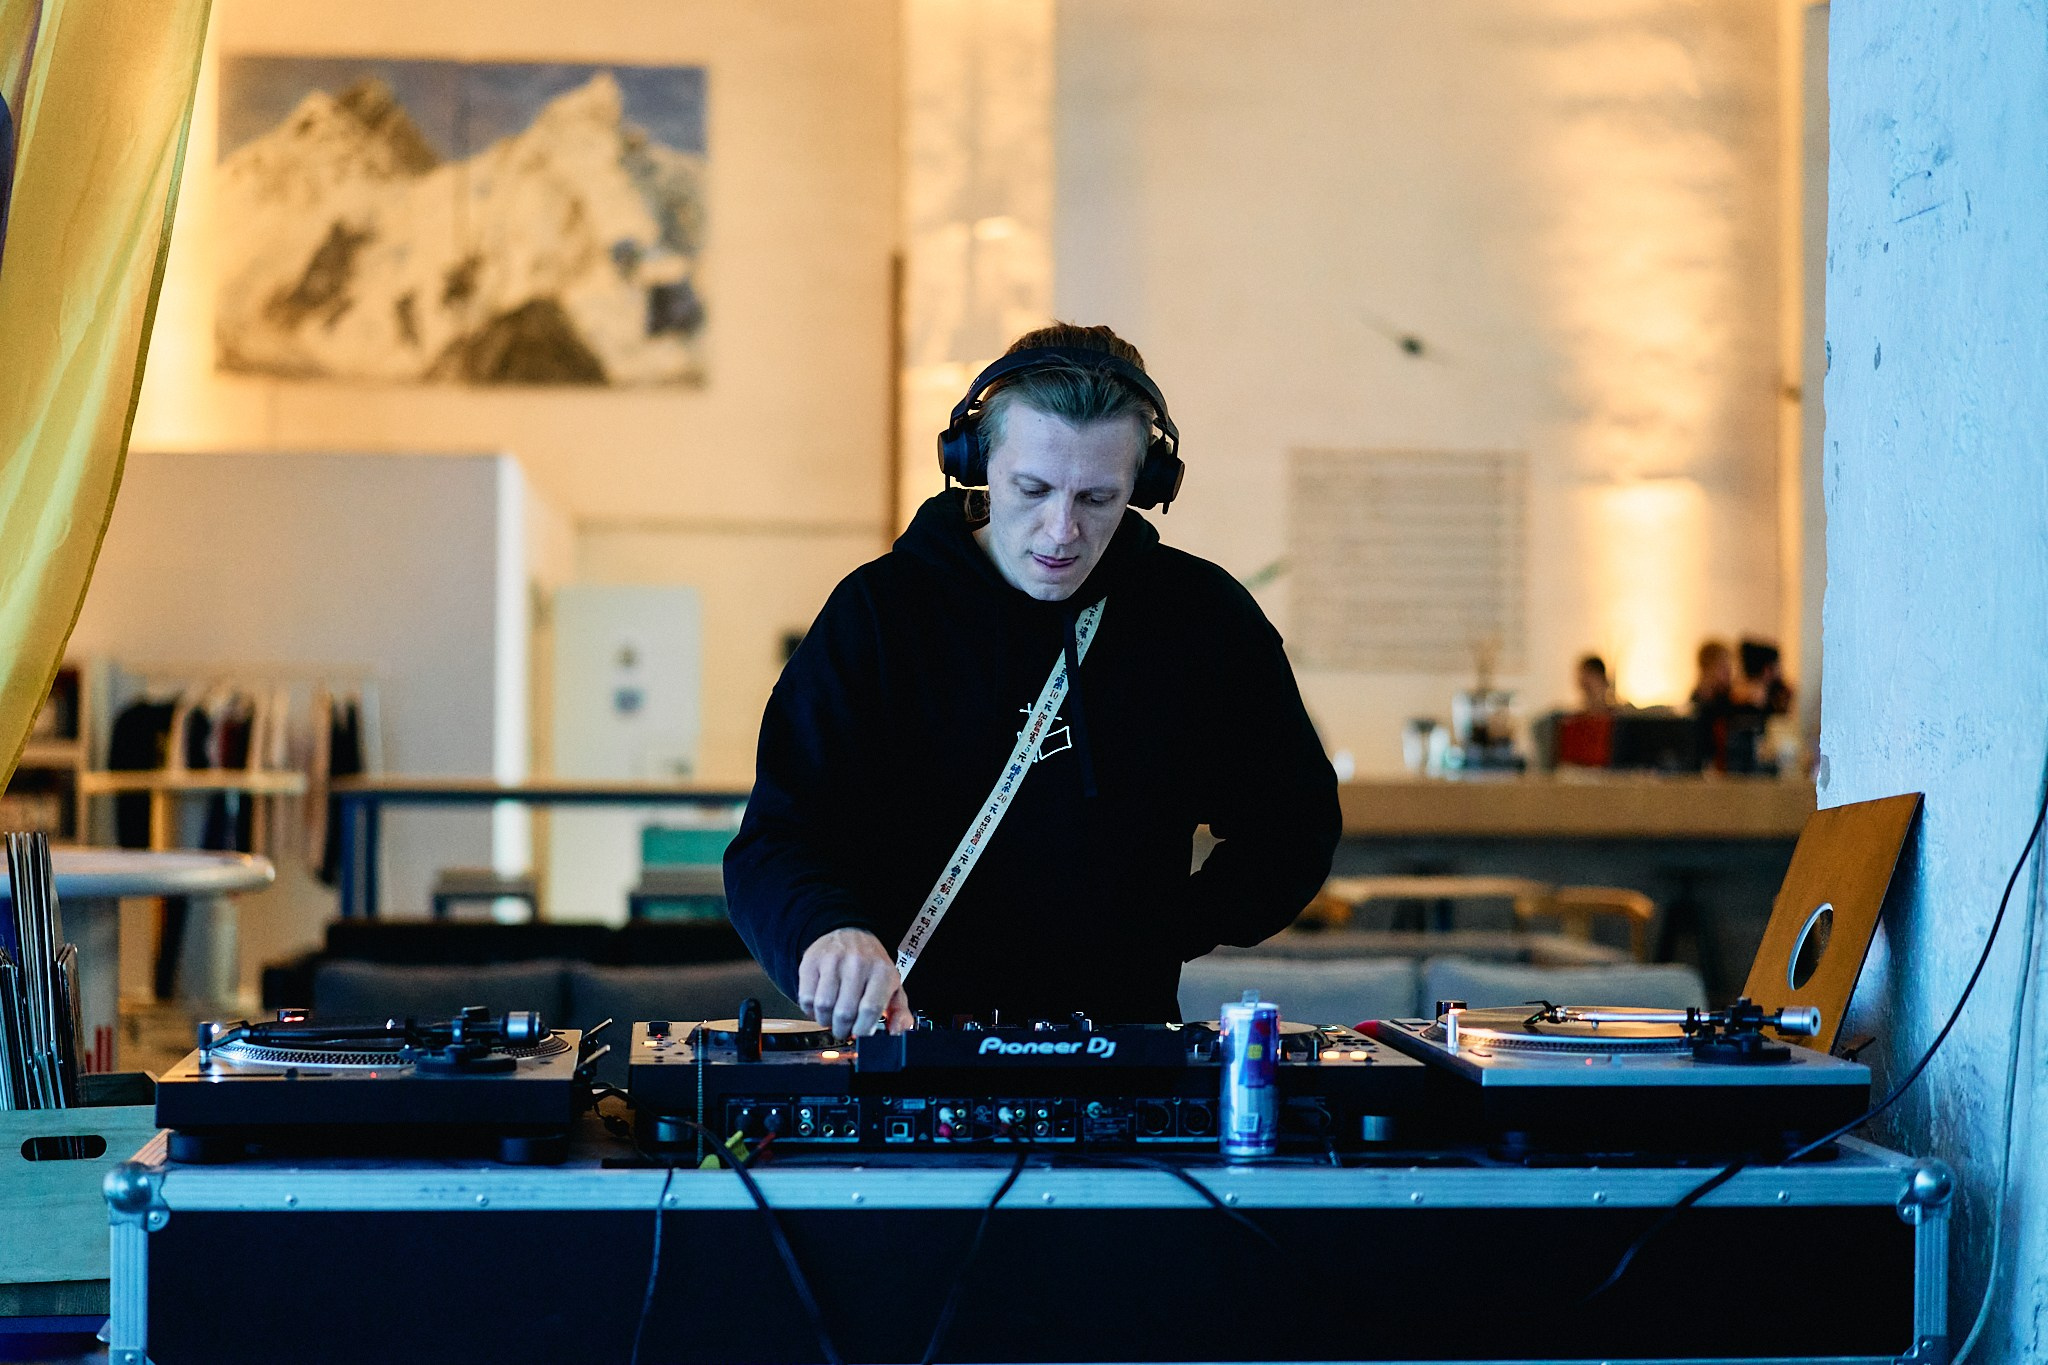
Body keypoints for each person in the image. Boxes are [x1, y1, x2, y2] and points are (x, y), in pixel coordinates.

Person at [724, 323, 1341, 1038]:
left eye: (1097, 499)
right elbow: (774, 841)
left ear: (1145, 485)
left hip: (1123, 1052)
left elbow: (1294, 827)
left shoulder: (1202, 621)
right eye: (1034, 488)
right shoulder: (880, 616)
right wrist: (826, 931)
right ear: (976, 463)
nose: (1060, 530)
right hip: (906, 1046)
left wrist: (1168, 925)